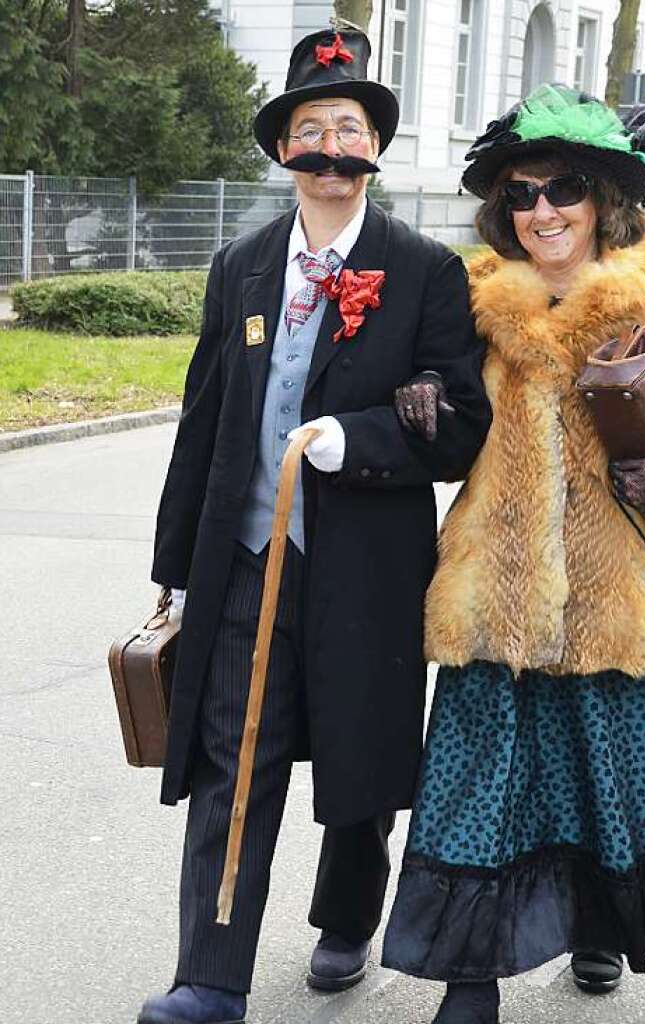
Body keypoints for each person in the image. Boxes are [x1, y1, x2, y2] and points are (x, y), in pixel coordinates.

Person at [381, 84, 645, 1024]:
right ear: (500, 210)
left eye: (562, 189)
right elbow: (449, 425)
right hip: (493, 595)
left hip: (619, 597)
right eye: (520, 194)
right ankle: (468, 982)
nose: (542, 210)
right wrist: (423, 407)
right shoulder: (471, 303)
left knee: (609, 785)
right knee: (479, 789)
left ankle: (599, 930)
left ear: (602, 197)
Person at [137, 26, 491, 1024]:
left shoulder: (424, 270)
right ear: (284, 150)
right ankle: (209, 975)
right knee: (228, 759)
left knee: (360, 760)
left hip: (365, 567)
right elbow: (204, 419)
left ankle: (346, 919)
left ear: (372, 148)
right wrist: (172, 565)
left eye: (349, 126)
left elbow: (460, 427)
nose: (331, 146)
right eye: (310, 127)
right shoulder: (240, 268)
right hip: (247, 560)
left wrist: (363, 439)